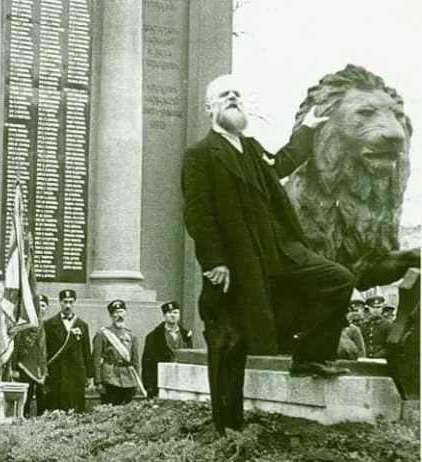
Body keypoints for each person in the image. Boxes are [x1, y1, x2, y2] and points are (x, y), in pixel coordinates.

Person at [181, 75, 354, 435]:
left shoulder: (253, 148)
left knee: (338, 279)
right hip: (239, 263)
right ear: (210, 108)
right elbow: (199, 213)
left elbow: (283, 163)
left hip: (280, 253)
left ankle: (309, 356)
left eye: (237, 95)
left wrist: (306, 129)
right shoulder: (200, 154)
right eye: (223, 96)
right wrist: (215, 262)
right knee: (229, 344)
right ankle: (228, 430)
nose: (232, 99)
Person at [44, 289, 93, 412]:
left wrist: (89, 375)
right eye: (65, 302)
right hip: (56, 374)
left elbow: (86, 351)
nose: (68, 305)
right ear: (60, 303)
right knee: (55, 409)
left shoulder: (82, 325)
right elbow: (45, 349)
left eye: (71, 302)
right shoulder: (49, 324)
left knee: (75, 410)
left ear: (74, 302)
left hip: (75, 374)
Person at [92, 300, 142, 405]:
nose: (119, 316)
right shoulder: (102, 334)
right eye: (116, 313)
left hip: (128, 379)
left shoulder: (132, 336)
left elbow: (135, 361)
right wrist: (98, 382)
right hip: (110, 379)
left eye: (121, 312)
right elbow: (96, 359)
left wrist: (136, 381)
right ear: (111, 316)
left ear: (126, 313)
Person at [141, 301, 193, 398]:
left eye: (175, 312)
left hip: (182, 382)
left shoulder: (186, 336)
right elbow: (147, 362)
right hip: (161, 381)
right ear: (164, 315)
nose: (172, 315)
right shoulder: (153, 336)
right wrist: (149, 385)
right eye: (169, 313)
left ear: (179, 315)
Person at [15, 293, 50, 417]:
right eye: (37, 306)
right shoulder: (25, 326)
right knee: (26, 399)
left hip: (43, 367)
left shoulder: (50, 325)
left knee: (43, 401)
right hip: (26, 367)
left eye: (43, 306)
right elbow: (18, 346)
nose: (40, 309)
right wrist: (14, 367)